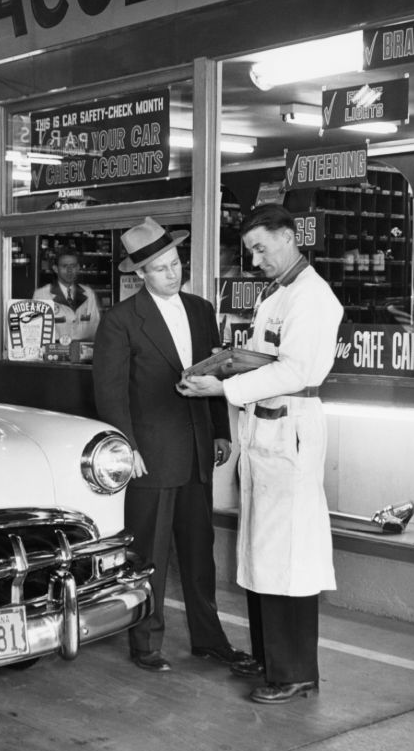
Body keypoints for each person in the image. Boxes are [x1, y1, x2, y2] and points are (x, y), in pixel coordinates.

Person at [177, 203, 344, 704]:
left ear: (290, 237)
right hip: (266, 431)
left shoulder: (312, 298)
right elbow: (267, 359)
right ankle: (270, 658)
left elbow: (294, 372)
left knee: (289, 556)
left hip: (289, 431)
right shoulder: (279, 294)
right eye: (249, 251)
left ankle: (294, 671)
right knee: (262, 553)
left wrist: (222, 388)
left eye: (261, 248)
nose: (254, 260)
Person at [92, 215, 248, 673]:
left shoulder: (201, 310)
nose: (171, 273)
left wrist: (220, 429)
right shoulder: (120, 321)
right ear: (139, 274)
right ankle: (146, 642)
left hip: (198, 450)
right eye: (159, 268)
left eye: (175, 263)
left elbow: (217, 372)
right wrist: (127, 447)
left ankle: (209, 639)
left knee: (200, 554)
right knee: (150, 556)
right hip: (150, 456)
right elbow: (110, 393)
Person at [33, 250, 101, 342]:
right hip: (54, 351)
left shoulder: (88, 293)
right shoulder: (42, 294)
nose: (69, 270)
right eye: (64, 266)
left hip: (83, 351)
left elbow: (96, 327)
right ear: (55, 269)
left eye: (73, 266)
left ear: (78, 268)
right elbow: (36, 331)